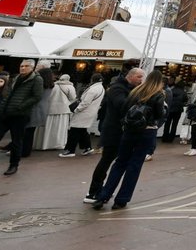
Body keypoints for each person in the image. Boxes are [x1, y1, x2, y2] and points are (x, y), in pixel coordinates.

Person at [92, 70, 168, 210]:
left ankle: (103, 196)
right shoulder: (158, 94)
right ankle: (121, 199)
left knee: (120, 162)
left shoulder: (136, 91)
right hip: (147, 131)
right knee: (135, 165)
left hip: (129, 130)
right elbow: (159, 114)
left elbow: (125, 108)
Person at [82, 67, 143, 202]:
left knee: (116, 162)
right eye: (139, 77)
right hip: (114, 131)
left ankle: (105, 190)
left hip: (123, 131)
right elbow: (121, 105)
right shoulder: (117, 88)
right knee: (106, 160)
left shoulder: (128, 88)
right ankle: (93, 191)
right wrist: (138, 102)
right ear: (130, 76)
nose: (141, 80)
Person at [61, 74, 104, 157]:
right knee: (82, 130)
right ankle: (87, 147)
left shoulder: (93, 89)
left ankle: (70, 150)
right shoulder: (101, 88)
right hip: (89, 112)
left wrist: (77, 109)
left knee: (74, 130)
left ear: (92, 79)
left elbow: (85, 102)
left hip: (84, 112)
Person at [23, 62, 58, 155]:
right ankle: (26, 150)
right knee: (30, 131)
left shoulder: (39, 83)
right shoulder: (51, 85)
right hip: (42, 108)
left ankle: (24, 150)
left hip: (33, 108)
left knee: (26, 130)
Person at [162, 77, 187, 143]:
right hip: (178, 110)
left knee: (167, 123)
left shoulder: (171, 90)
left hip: (170, 109)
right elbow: (185, 100)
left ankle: (165, 137)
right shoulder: (183, 92)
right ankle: (171, 138)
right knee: (174, 124)